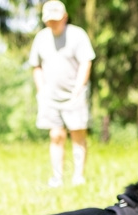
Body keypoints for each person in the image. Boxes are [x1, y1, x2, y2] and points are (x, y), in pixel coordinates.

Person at [29, 1, 95, 187]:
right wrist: (41, 90)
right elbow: (36, 66)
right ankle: (57, 177)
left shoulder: (77, 35)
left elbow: (86, 62)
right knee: (56, 135)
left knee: (77, 134)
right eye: (49, 20)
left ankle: (78, 176)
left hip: (74, 94)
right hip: (50, 96)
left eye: (56, 20)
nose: (52, 23)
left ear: (64, 17)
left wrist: (78, 89)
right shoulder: (41, 38)